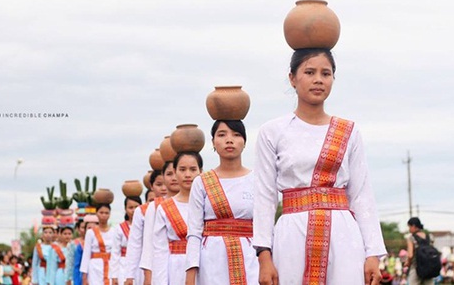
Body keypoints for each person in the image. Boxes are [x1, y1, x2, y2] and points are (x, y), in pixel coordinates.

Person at [253, 48, 386, 285]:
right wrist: (264, 255)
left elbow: (362, 195)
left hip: (343, 236)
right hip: (292, 234)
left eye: (326, 73)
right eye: (309, 72)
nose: (318, 80)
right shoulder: (272, 132)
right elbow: (264, 196)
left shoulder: (349, 131)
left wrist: (372, 254)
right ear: (292, 78)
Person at [185, 120, 257, 284]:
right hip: (212, 261)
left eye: (236, 135)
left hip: (251, 257)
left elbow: (265, 226)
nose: (229, 140)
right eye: (222, 135)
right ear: (213, 142)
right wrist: (190, 273)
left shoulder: (257, 179)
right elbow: (194, 232)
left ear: (244, 142)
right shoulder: (202, 182)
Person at [153, 152, 203, 284]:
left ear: (201, 171)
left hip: (204, 266)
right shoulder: (164, 208)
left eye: (193, 169)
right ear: (175, 172)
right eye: (182, 169)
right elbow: (160, 251)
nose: (188, 175)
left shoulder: (209, 205)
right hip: (176, 270)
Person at [140, 163, 175, 285]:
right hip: (165, 263)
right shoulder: (155, 207)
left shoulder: (197, 201)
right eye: (169, 174)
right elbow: (148, 244)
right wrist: (148, 274)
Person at [124, 183, 161, 285]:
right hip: (145, 264)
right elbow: (135, 245)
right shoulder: (145, 212)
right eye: (151, 200)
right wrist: (129, 275)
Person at [80, 203, 115, 285]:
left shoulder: (114, 231)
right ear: (97, 213)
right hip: (95, 267)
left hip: (110, 265)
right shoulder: (90, 232)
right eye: (101, 212)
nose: (104, 215)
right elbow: (86, 254)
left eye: (106, 213)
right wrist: (84, 275)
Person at [110, 195, 142, 285]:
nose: (134, 210)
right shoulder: (119, 228)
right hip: (124, 265)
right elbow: (115, 252)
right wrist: (114, 275)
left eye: (136, 207)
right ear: (125, 209)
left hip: (141, 264)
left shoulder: (145, 226)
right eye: (130, 207)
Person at [405, 217, 434, 285]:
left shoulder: (411, 238)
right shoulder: (430, 237)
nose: (409, 229)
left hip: (416, 268)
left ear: (413, 226)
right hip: (429, 268)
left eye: (409, 227)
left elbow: (410, 255)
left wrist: (408, 263)